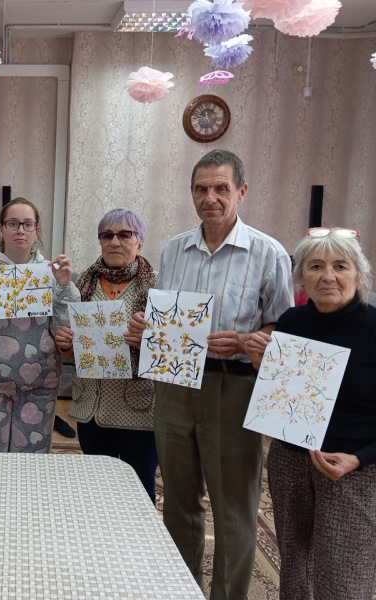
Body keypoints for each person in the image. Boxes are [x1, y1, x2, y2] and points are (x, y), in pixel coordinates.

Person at [127, 150, 292, 599]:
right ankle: (182, 590)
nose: (210, 198)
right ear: (191, 193)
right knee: (179, 502)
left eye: (221, 188)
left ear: (241, 191)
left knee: (233, 507)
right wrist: (146, 328)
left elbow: (285, 329)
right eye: (201, 189)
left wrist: (247, 340)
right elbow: (167, 317)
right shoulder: (174, 249)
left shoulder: (268, 252)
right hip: (175, 384)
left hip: (233, 386)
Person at [245, 228, 376, 600]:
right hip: (289, 460)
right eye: (316, 266)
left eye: (340, 266)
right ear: (301, 276)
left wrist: (359, 459)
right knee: (295, 567)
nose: (328, 276)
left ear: (359, 276)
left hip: (352, 468)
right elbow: (283, 393)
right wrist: (262, 367)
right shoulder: (292, 321)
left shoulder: (373, 328)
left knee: (344, 578)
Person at [0, 197, 80, 452]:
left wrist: (64, 287)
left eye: (27, 224)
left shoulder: (52, 274)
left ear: (37, 229)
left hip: (39, 385)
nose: (20, 230)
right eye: (13, 223)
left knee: (30, 465)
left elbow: (63, 332)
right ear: (1, 228)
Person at [54, 208, 158, 502]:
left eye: (124, 234)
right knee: (97, 492)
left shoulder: (157, 288)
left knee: (139, 492)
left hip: (137, 410)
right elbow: (73, 347)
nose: (114, 242)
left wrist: (148, 340)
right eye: (106, 235)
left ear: (140, 243)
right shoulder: (81, 285)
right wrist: (66, 343)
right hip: (91, 408)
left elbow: (171, 350)